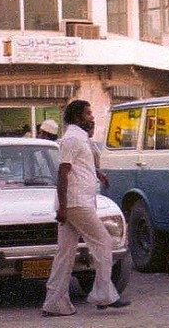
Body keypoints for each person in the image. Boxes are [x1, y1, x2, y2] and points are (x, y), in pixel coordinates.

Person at [42, 100, 129, 317]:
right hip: (75, 203)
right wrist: (62, 206)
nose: (92, 116)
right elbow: (63, 173)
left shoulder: (80, 137)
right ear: (78, 116)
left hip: (76, 202)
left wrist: (98, 173)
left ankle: (55, 303)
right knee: (104, 242)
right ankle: (103, 295)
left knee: (65, 253)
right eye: (88, 113)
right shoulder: (71, 138)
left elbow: (81, 166)